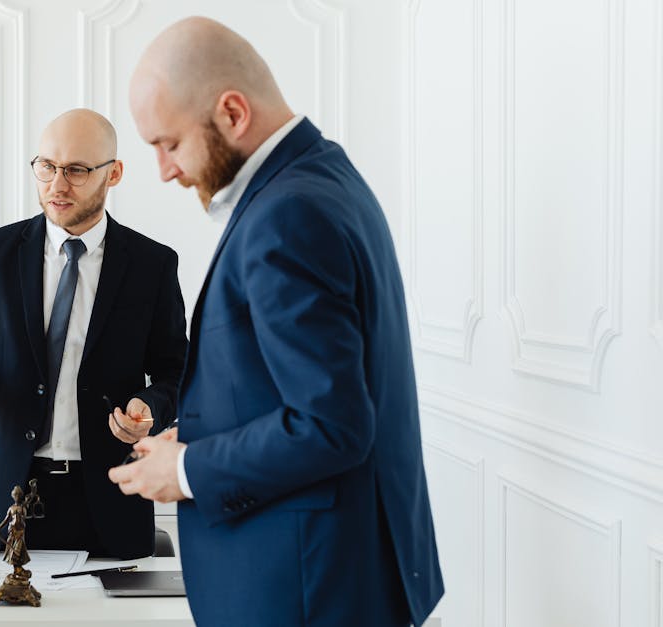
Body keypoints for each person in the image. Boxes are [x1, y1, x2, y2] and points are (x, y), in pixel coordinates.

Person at [107, 17, 444, 627]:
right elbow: (293, 389)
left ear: (232, 113)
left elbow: (331, 424)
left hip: (309, 592)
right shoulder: (322, 176)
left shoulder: (287, 216)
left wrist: (183, 470)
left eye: (169, 143)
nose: (163, 170)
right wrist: (191, 441)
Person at [0, 108, 187, 559]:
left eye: (77, 170)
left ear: (113, 173)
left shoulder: (152, 265)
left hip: (107, 498)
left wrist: (151, 409)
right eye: (47, 166)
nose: (57, 185)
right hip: (4, 498)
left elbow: (177, 371)